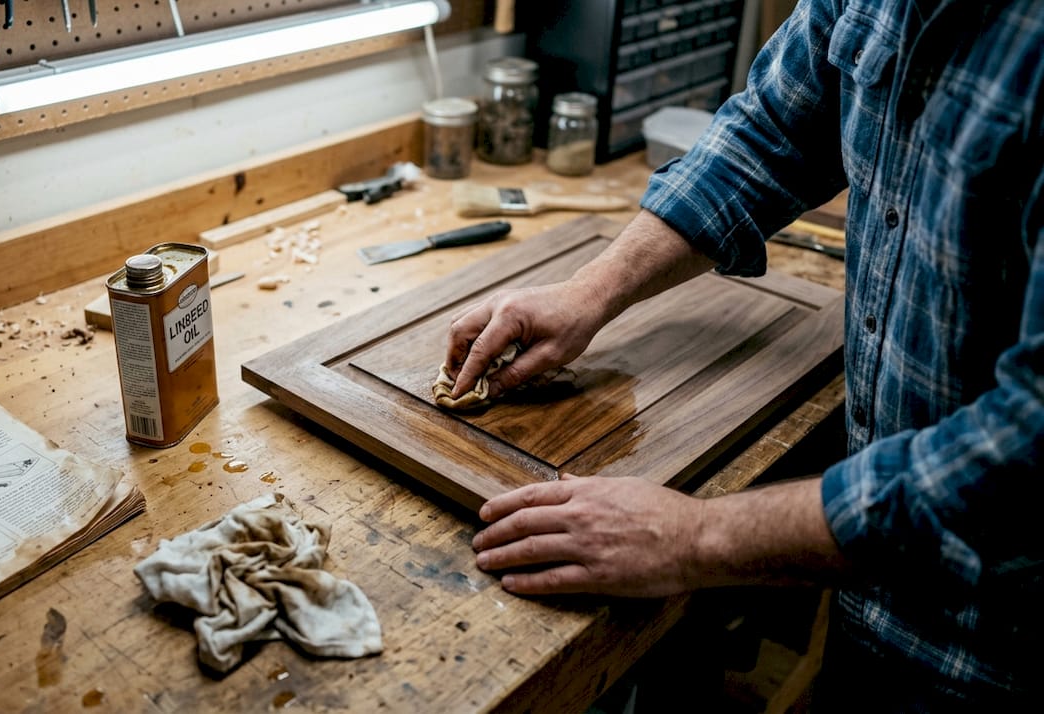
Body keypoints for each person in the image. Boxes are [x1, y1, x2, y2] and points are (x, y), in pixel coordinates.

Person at [447, 0, 1043, 708]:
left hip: (1002, 654)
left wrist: (697, 538)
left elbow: (1026, 448)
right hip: (872, 596)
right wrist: (591, 290)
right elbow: (770, 132)